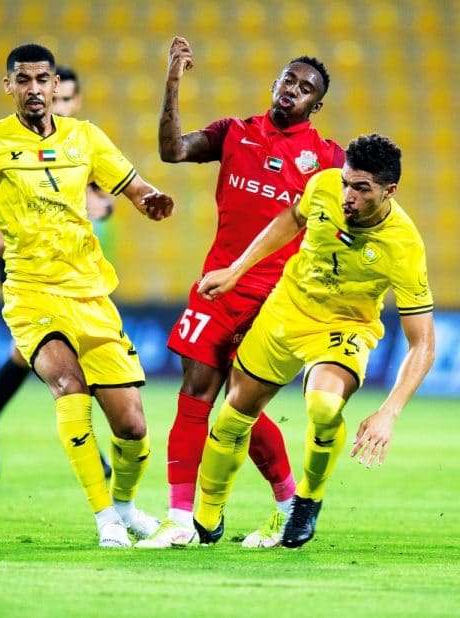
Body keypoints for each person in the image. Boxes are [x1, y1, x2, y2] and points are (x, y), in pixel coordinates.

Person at [0, 43, 174, 547]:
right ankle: (104, 520)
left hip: (90, 295)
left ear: (57, 86)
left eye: (43, 80)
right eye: (23, 80)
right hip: (31, 294)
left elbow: (134, 187)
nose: (34, 89)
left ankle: (125, 506)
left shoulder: (86, 138)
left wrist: (150, 199)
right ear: (8, 86)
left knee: (133, 427)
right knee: (68, 385)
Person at [137, 37, 346, 549]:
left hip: (277, 299)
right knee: (194, 394)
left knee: (241, 405)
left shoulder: (327, 159)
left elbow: (351, 218)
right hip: (218, 287)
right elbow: (172, 150)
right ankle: (181, 520)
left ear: (315, 106)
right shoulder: (235, 133)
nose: (292, 90)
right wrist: (172, 81)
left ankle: (286, 507)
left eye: (305, 89)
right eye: (287, 80)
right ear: (274, 84)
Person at [192, 133, 434, 548]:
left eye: (362, 189)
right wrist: (236, 270)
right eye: (346, 182)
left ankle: (307, 501)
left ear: (389, 191)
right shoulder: (323, 185)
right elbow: (291, 219)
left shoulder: (404, 245)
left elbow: (423, 343)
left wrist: (388, 413)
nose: (347, 196)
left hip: (343, 327)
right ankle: (205, 521)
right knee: (232, 419)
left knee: (323, 406)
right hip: (286, 310)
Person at [0, 65, 113, 480]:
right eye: (55, 97)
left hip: (75, 268)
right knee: (66, 358)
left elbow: (105, 194)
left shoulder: (80, 143)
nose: (58, 105)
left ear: (76, 102)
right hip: (23, 264)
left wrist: (104, 205)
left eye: (67, 100)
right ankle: (92, 450)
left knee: (26, 353)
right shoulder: (7, 143)